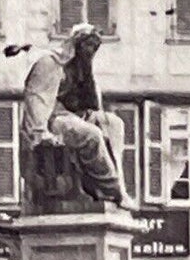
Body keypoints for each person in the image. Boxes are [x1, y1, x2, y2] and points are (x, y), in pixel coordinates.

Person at [20, 22, 130, 208]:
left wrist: (90, 81)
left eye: (94, 48)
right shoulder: (50, 63)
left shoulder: (83, 69)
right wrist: (39, 132)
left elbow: (93, 106)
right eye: (87, 46)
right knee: (91, 135)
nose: (90, 52)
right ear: (75, 45)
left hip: (77, 116)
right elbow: (36, 100)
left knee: (114, 124)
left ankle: (118, 184)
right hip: (52, 119)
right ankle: (114, 191)